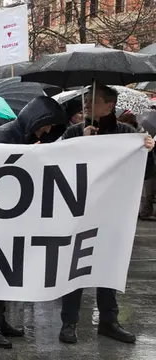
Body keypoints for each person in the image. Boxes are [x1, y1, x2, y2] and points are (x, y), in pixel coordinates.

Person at [58, 84, 154, 345]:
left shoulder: (126, 133)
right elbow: (58, 164)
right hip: (79, 214)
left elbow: (144, 173)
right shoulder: (74, 132)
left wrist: (146, 149)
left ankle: (109, 322)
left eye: (92, 101)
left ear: (109, 105)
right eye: (85, 100)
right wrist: (80, 144)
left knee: (109, 267)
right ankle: (69, 323)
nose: (86, 105)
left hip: (112, 214)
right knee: (75, 268)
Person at [0, 96, 69, 349]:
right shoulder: (2, 137)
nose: (47, 131)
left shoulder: (24, 137)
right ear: (36, 119)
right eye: (46, 124)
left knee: (4, 273)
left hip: (10, 218)